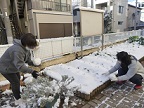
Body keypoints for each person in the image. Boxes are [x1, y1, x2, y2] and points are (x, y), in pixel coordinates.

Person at [0, 33, 39, 105]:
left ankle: (16, 92)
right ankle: (17, 99)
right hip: (6, 68)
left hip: (13, 67)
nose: (32, 48)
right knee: (15, 82)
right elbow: (20, 66)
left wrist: (33, 63)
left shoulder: (25, 48)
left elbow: (27, 59)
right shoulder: (17, 50)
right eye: (31, 46)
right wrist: (32, 71)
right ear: (25, 44)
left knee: (17, 79)